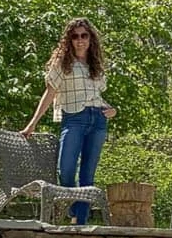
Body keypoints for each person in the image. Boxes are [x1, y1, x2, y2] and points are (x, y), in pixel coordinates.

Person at [21, 18, 116, 224]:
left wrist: (111, 110)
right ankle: (73, 209)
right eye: (75, 36)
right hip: (74, 119)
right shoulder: (62, 64)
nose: (80, 40)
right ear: (69, 40)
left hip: (98, 120)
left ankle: (80, 224)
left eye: (84, 35)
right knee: (65, 171)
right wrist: (33, 123)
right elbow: (49, 94)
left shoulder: (95, 66)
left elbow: (96, 95)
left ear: (91, 39)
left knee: (87, 176)